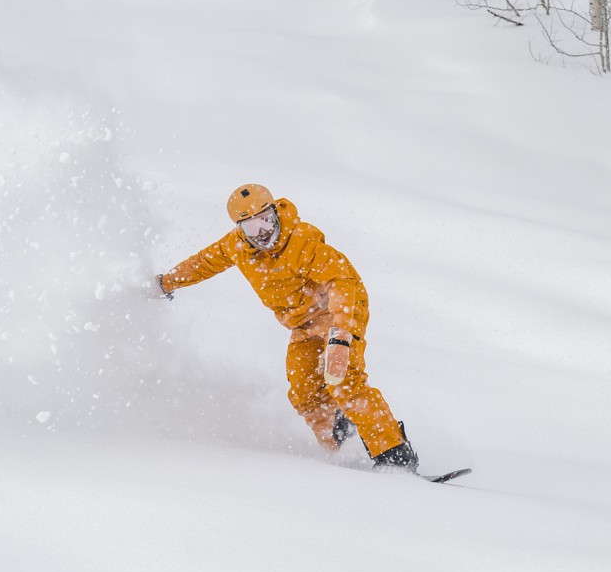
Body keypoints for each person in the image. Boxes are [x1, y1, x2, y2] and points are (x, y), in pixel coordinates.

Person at [155, 184, 419, 472]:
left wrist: (341, 336)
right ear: (240, 229)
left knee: (343, 380)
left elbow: (341, 281)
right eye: (252, 226)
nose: (263, 232)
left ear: (275, 213)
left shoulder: (302, 241)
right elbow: (203, 263)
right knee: (303, 391)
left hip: (340, 310)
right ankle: (339, 445)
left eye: (266, 220)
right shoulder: (237, 246)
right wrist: (166, 283)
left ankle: (395, 458)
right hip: (302, 323)